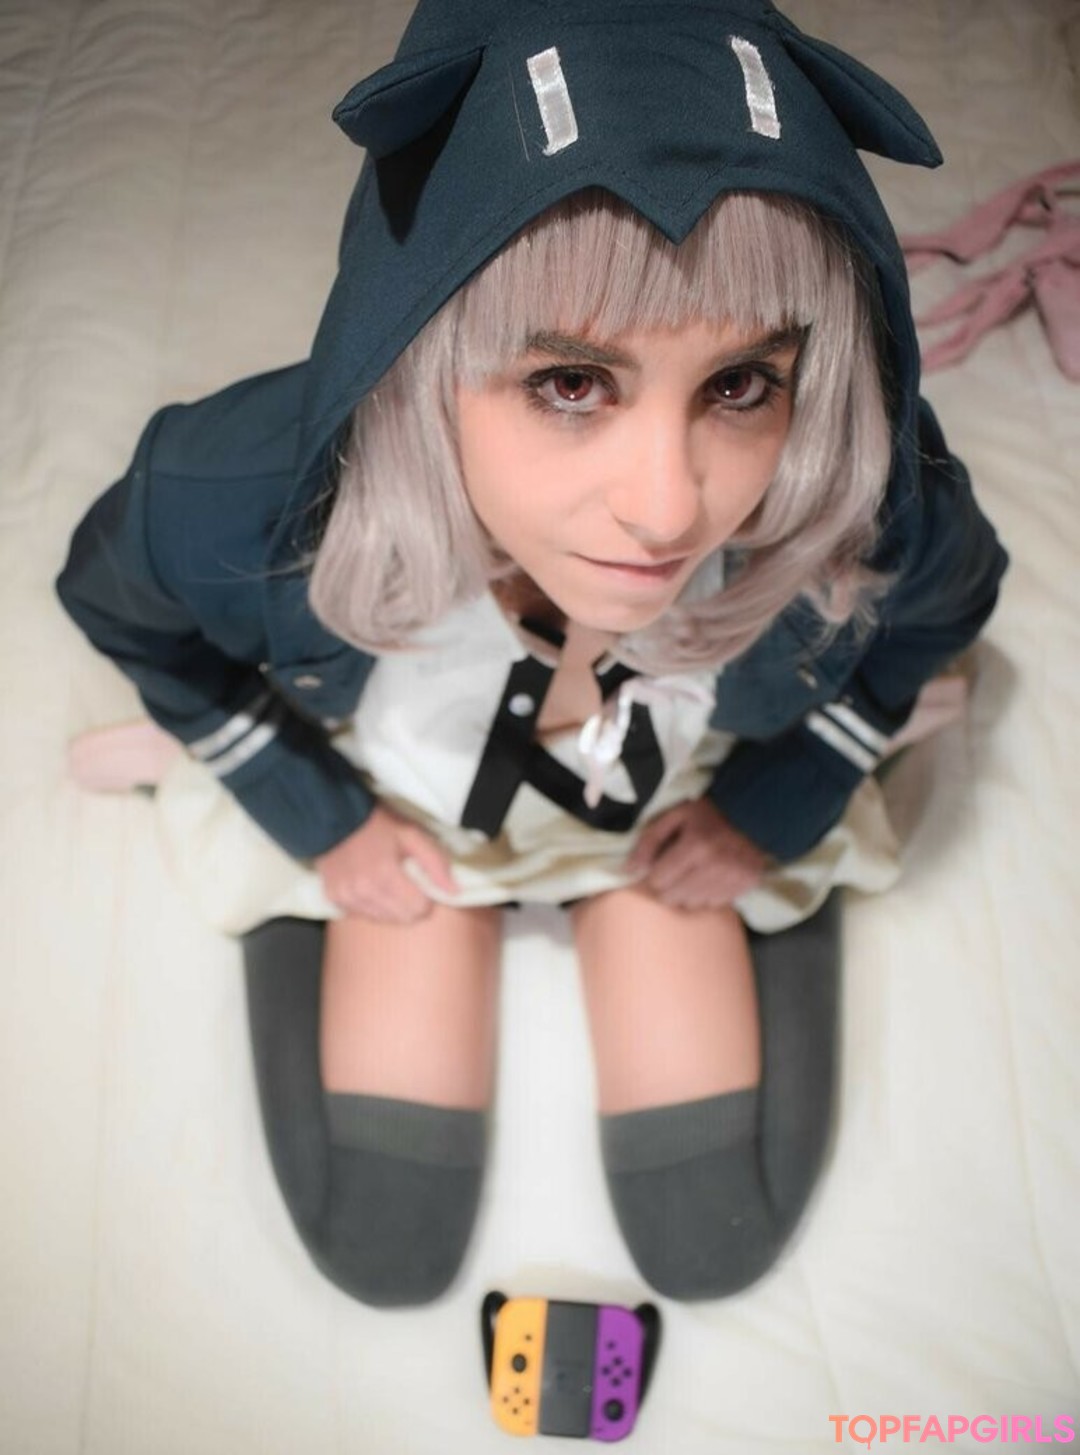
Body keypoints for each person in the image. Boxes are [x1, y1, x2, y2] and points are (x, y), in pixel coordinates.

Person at [55, 0, 1008, 1308]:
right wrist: (312, 811)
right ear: (420, 344)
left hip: (672, 800)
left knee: (714, 1233)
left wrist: (780, 800)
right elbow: (121, 606)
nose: (667, 508)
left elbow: (948, 601)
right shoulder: (231, 495)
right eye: (571, 385)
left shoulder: (867, 503)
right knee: (383, 1239)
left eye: (739, 385)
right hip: (402, 800)